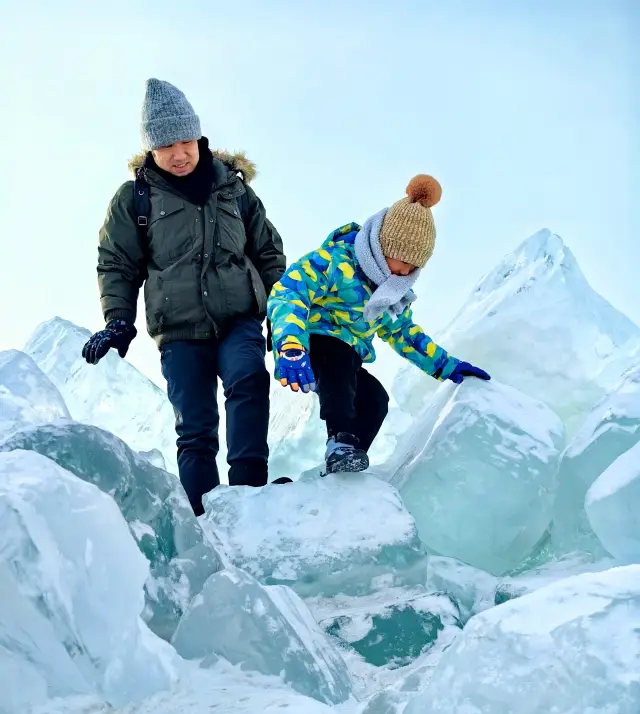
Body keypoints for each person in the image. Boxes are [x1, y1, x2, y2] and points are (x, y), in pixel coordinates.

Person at [83, 79, 286, 514]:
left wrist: (284, 315)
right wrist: (118, 320)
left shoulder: (233, 189)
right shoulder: (134, 199)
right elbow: (117, 261)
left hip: (239, 316)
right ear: (150, 150)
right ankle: (204, 516)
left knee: (248, 381)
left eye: (185, 141)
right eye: (166, 145)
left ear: (198, 137)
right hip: (179, 330)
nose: (179, 154)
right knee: (194, 429)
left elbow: (267, 252)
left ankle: (250, 495)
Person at [267, 175, 490, 474]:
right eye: (400, 260)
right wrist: (290, 344)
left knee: (375, 399)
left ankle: (345, 466)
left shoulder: (390, 293)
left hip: (347, 358)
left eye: (413, 267)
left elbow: (406, 336)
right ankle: (340, 443)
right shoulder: (335, 261)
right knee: (339, 358)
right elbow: (289, 292)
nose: (404, 271)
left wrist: (449, 366)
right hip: (312, 342)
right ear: (381, 244)